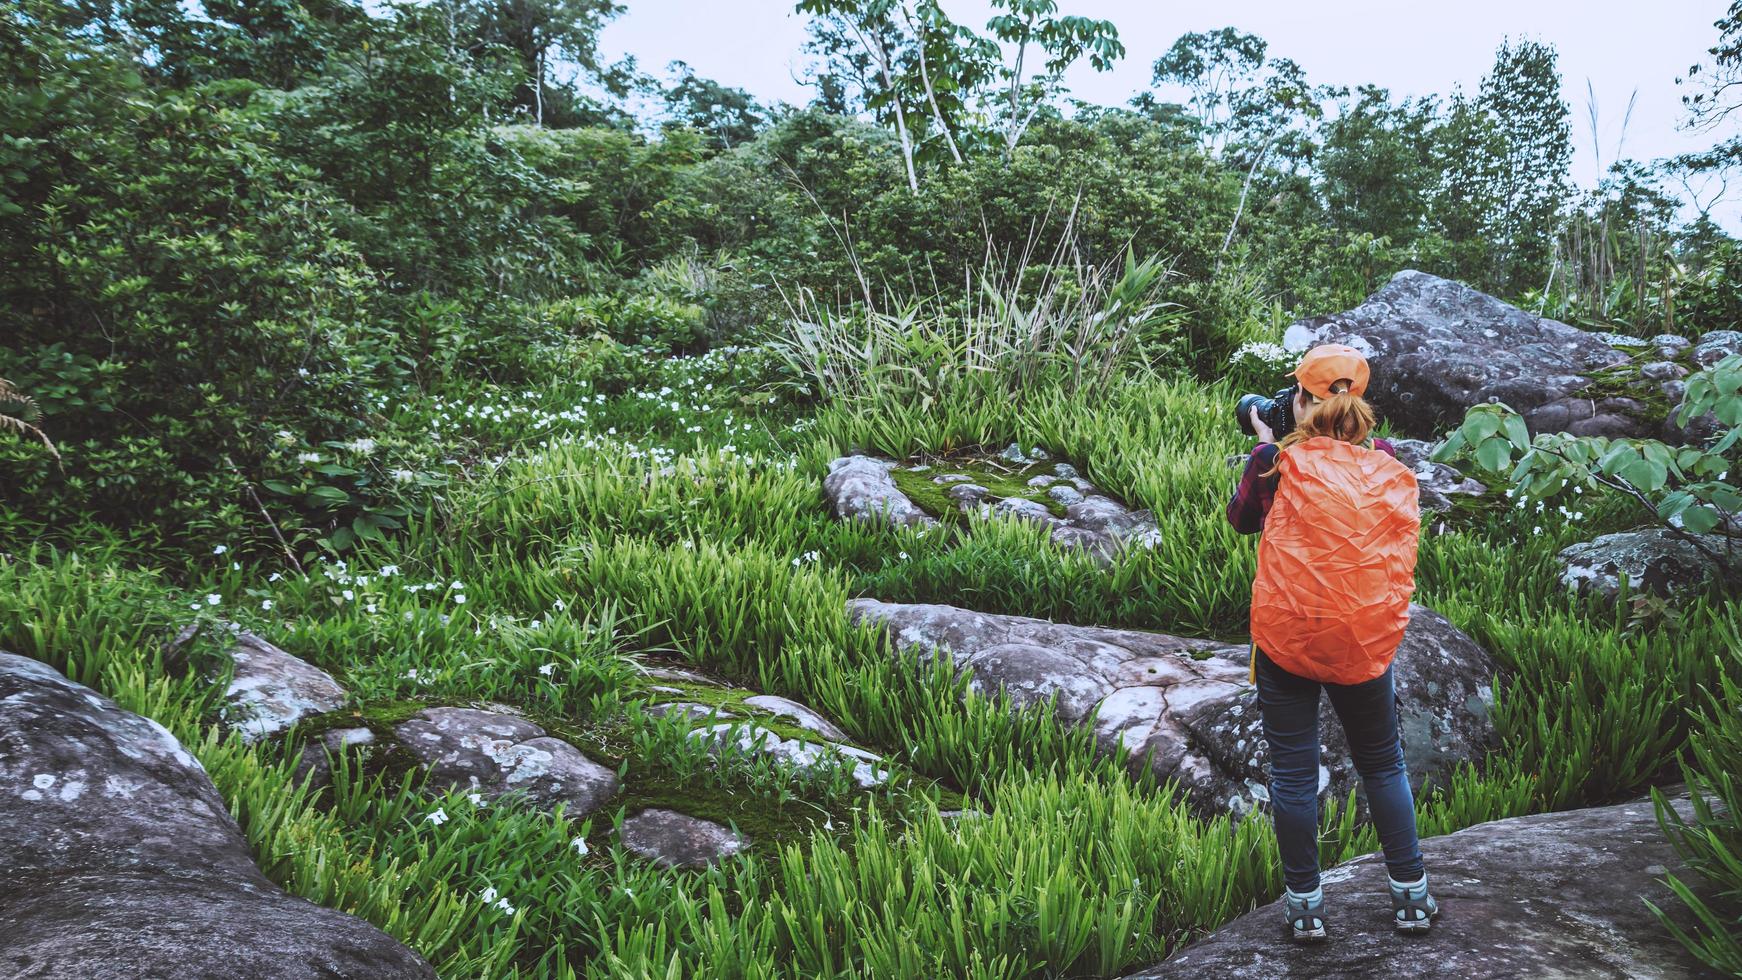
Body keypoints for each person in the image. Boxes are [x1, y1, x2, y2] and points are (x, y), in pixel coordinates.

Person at [1225, 344, 1440, 943]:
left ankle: (1306, 908)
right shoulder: (1387, 460)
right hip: (1364, 641)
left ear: (1300, 400)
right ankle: (1412, 897)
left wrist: (1265, 440)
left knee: (1294, 775)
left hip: (1288, 639)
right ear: (1356, 400)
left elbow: (1242, 519)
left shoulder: (1274, 462)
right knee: (1384, 765)